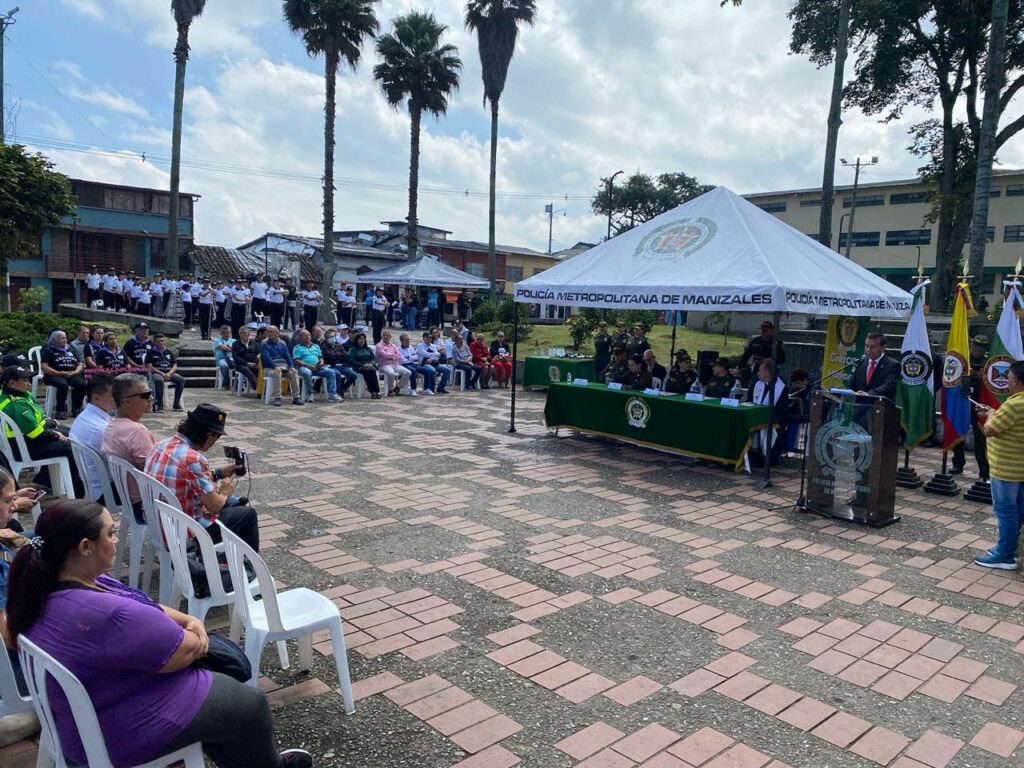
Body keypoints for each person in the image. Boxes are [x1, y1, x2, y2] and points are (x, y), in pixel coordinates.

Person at [5, 499, 313, 768]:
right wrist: (195, 632)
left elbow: (147, 605)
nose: (115, 540)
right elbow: (183, 652)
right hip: (113, 729)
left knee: (226, 713)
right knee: (251, 706)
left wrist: (189, 619)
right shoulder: (106, 614)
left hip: (87, 709)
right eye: (110, 534)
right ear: (86, 547)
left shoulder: (46, 585)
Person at [146, 404, 260, 552]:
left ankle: (235, 559)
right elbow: (214, 506)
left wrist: (218, 474)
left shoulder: (161, 444)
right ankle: (248, 567)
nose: (215, 441)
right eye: (217, 436)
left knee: (233, 504)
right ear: (208, 434)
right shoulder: (193, 459)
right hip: (187, 534)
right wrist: (225, 491)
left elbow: (186, 480)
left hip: (160, 524)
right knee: (247, 515)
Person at [0, 366, 83, 496]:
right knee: (71, 445)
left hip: (24, 440)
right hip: (24, 448)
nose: (29, 383)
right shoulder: (17, 405)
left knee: (69, 433)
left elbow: (37, 420)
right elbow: (36, 434)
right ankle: (77, 486)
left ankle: (45, 478)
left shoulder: (13, 394)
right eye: (25, 380)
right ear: (12, 383)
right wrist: (55, 434)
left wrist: (50, 423)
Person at [974, 361, 1024, 569]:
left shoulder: (1014, 404)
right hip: (1019, 467)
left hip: (1006, 468)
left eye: (1009, 378)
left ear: (1016, 380)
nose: (1007, 381)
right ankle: (1010, 548)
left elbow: (989, 430)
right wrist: (995, 414)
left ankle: (1005, 554)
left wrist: (990, 415)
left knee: (1006, 511)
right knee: (1018, 511)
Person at [102, 374, 157, 523]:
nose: (150, 398)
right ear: (126, 401)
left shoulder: (113, 424)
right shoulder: (136, 431)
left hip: (129, 500)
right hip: (147, 506)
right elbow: (154, 474)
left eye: (150, 393)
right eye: (145, 395)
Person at [67, 375, 115, 498]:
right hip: (106, 491)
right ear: (96, 398)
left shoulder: (84, 417)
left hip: (93, 484)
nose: (118, 399)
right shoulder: (101, 428)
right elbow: (124, 464)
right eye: (113, 396)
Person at [953, 335, 991, 479]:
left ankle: (983, 468)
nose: (978, 351)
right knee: (958, 433)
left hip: (980, 403)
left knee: (980, 437)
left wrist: (983, 376)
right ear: (971, 345)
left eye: (981, 349)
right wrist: (967, 373)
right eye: (976, 348)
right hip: (962, 400)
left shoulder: (987, 362)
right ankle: (957, 463)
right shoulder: (963, 360)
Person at [747, 359, 788, 467]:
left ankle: (766, 457)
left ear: (767, 372)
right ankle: (752, 454)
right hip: (756, 417)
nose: (758, 373)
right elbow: (750, 400)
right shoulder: (757, 384)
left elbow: (780, 409)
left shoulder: (781, 388)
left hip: (773, 420)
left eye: (760, 370)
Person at [40, 330, 87, 420]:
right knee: (63, 385)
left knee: (82, 384)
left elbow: (80, 363)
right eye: (62, 338)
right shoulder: (49, 350)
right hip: (53, 375)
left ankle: (76, 407)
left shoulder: (70, 349)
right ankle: (60, 410)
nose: (65, 340)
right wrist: (58, 373)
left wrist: (76, 372)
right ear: (55, 339)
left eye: (65, 338)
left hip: (71, 374)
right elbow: (44, 366)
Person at [292, 329, 341, 403]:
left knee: (331, 372)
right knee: (307, 373)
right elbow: (297, 361)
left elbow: (320, 357)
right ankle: (309, 394)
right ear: (300, 337)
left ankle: (332, 395)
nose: (308, 337)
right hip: (304, 367)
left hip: (317, 367)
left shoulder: (316, 346)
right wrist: (308, 366)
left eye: (308, 335)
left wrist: (321, 363)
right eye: (305, 335)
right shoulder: (297, 347)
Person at [734, 320, 786, 387]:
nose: (763, 332)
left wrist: (770, 360)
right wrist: (739, 367)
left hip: (770, 369)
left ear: (771, 331)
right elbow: (746, 355)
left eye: (766, 331)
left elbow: (782, 358)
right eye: (762, 330)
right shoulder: (756, 341)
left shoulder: (776, 343)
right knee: (754, 384)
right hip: (757, 367)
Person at [260, 326, 302, 406]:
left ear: (277, 333)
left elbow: (288, 356)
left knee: (294, 373)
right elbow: (266, 358)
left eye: (271, 332)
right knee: (277, 373)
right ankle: (277, 397)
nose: (268, 333)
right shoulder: (264, 343)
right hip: (269, 368)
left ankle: (296, 397)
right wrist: (275, 367)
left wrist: (291, 366)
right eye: (268, 331)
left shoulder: (282, 343)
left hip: (283, 367)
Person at [850, 332, 900, 399]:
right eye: (866, 346)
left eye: (873, 347)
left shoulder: (893, 365)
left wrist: (869, 394)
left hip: (879, 406)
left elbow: (888, 386)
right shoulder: (860, 362)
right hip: (858, 406)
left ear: (883, 348)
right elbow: (852, 384)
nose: (868, 350)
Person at [149, 333, 186, 413]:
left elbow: (174, 364)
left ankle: (176, 404)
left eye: (163, 341)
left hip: (169, 372)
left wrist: (170, 372)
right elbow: (149, 366)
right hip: (157, 373)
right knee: (159, 380)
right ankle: (160, 405)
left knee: (181, 380)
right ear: (155, 342)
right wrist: (162, 373)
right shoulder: (151, 352)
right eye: (159, 341)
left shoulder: (168, 352)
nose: (161, 343)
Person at [320, 327, 357, 398]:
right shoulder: (324, 346)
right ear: (326, 338)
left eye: (333, 337)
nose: (332, 338)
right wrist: (339, 355)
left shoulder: (338, 345)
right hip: (330, 366)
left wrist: (337, 354)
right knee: (337, 374)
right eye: (330, 337)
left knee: (353, 375)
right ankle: (337, 393)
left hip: (341, 365)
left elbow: (346, 355)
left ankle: (343, 388)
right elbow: (329, 356)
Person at [374, 330, 413, 397]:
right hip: (384, 365)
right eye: (384, 335)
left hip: (395, 364)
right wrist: (393, 356)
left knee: (408, 372)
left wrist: (391, 356)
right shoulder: (379, 346)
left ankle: (398, 387)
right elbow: (384, 355)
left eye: (387, 335)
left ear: (390, 337)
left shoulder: (393, 345)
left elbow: (399, 355)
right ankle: (390, 390)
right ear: (382, 336)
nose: (385, 337)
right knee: (391, 373)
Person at [348, 332, 381, 399]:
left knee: (372, 370)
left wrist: (371, 364)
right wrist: (363, 365)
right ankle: (372, 391)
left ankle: (377, 391)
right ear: (357, 340)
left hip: (370, 365)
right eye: (360, 339)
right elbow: (352, 361)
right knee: (367, 371)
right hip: (359, 367)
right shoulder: (353, 350)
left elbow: (374, 358)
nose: (362, 340)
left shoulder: (368, 349)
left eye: (363, 339)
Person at [231, 325, 261, 393]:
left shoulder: (254, 343)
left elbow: (258, 354)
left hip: (253, 363)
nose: (242, 335)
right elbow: (236, 357)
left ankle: (261, 388)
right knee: (247, 370)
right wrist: (246, 363)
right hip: (241, 365)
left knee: (259, 369)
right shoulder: (235, 344)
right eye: (241, 333)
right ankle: (257, 387)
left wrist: (255, 362)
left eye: (244, 333)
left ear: (248, 334)